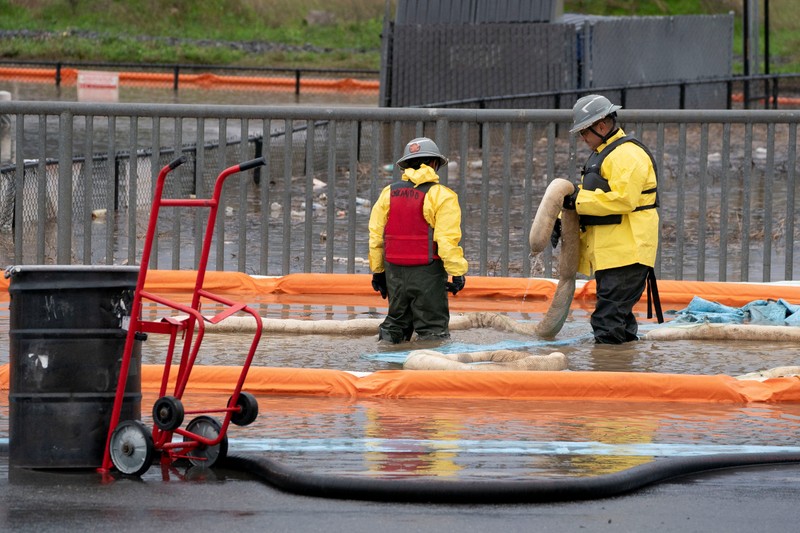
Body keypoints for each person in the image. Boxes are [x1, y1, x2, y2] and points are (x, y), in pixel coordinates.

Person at [562, 94, 663, 344]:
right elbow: (593, 195)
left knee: (607, 321)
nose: (583, 139)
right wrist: (560, 217)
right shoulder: (606, 153)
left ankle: (608, 373)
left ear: (602, 126)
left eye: (584, 133)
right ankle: (626, 369)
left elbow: (622, 199)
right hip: (615, 252)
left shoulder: (626, 155)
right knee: (619, 317)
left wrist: (577, 202)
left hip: (628, 252)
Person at [368, 137, 468, 343]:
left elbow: (376, 237)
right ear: (434, 164)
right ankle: (427, 373)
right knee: (433, 329)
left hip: (394, 273)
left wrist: (378, 272)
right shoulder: (443, 196)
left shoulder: (389, 193)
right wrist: (457, 274)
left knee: (395, 324)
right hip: (428, 274)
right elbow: (446, 240)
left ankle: (385, 367)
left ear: (405, 165)